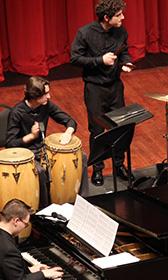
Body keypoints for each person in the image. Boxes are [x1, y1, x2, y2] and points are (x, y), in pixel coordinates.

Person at [71, 0, 135, 186]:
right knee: (97, 129)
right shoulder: (85, 33)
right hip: (95, 88)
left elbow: (124, 52)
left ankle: (118, 165)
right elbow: (75, 58)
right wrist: (100, 60)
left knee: (120, 127)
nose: (123, 17)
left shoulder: (121, 31)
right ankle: (97, 169)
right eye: (119, 15)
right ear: (107, 18)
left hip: (115, 86)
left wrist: (125, 63)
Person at [5, 76, 88, 207]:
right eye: (46, 94)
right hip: (27, 154)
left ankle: (82, 201)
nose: (49, 97)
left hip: (44, 149)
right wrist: (31, 136)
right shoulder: (17, 112)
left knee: (81, 157)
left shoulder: (46, 105)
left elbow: (70, 121)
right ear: (34, 96)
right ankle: (45, 209)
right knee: (41, 172)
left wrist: (68, 132)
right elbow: (10, 143)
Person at [0, 199, 64, 280]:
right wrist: (43, 274)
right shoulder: (8, 249)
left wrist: (29, 270)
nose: (25, 228)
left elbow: (7, 270)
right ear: (16, 221)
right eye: (26, 225)